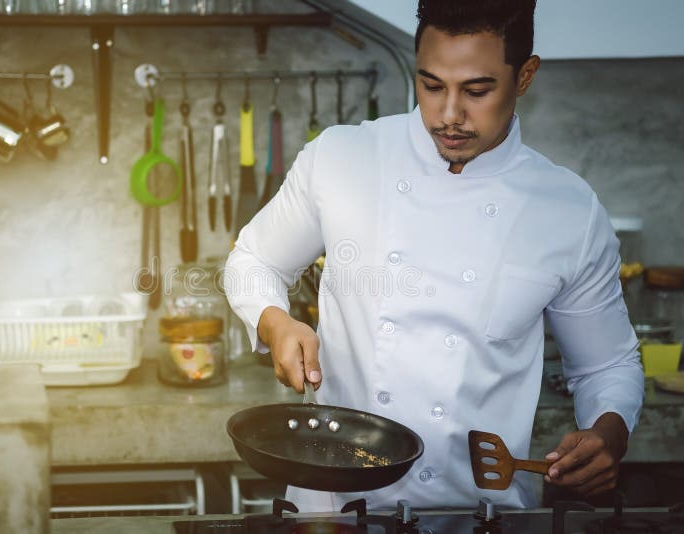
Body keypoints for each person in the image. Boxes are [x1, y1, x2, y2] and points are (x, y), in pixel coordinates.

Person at [224, 0, 644, 511]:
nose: (448, 115)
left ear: (525, 75)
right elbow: (253, 261)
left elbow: (607, 366)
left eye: (476, 90)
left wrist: (609, 433)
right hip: (335, 511)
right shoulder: (340, 158)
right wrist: (274, 322)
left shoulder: (569, 211)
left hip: (483, 513)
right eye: (431, 85)